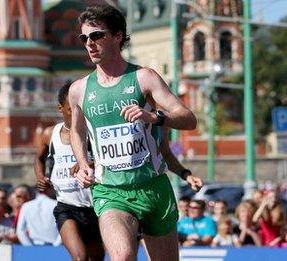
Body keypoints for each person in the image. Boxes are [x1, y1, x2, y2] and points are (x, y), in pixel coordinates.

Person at [69, 5, 196, 260]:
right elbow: (76, 130)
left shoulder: (144, 78)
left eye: (97, 36)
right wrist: (82, 163)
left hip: (153, 187)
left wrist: (154, 116)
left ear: (118, 36)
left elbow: (188, 119)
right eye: (85, 38)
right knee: (123, 256)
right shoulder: (79, 89)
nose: (90, 44)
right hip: (110, 191)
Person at [35, 82, 104, 260]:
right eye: (71, 109)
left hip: (95, 207)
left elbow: (107, 158)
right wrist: (40, 177)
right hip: (67, 207)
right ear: (61, 109)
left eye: (79, 108)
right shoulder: (50, 133)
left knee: (95, 258)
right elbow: (38, 159)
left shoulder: (92, 132)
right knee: (80, 257)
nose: (77, 114)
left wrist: (90, 163)